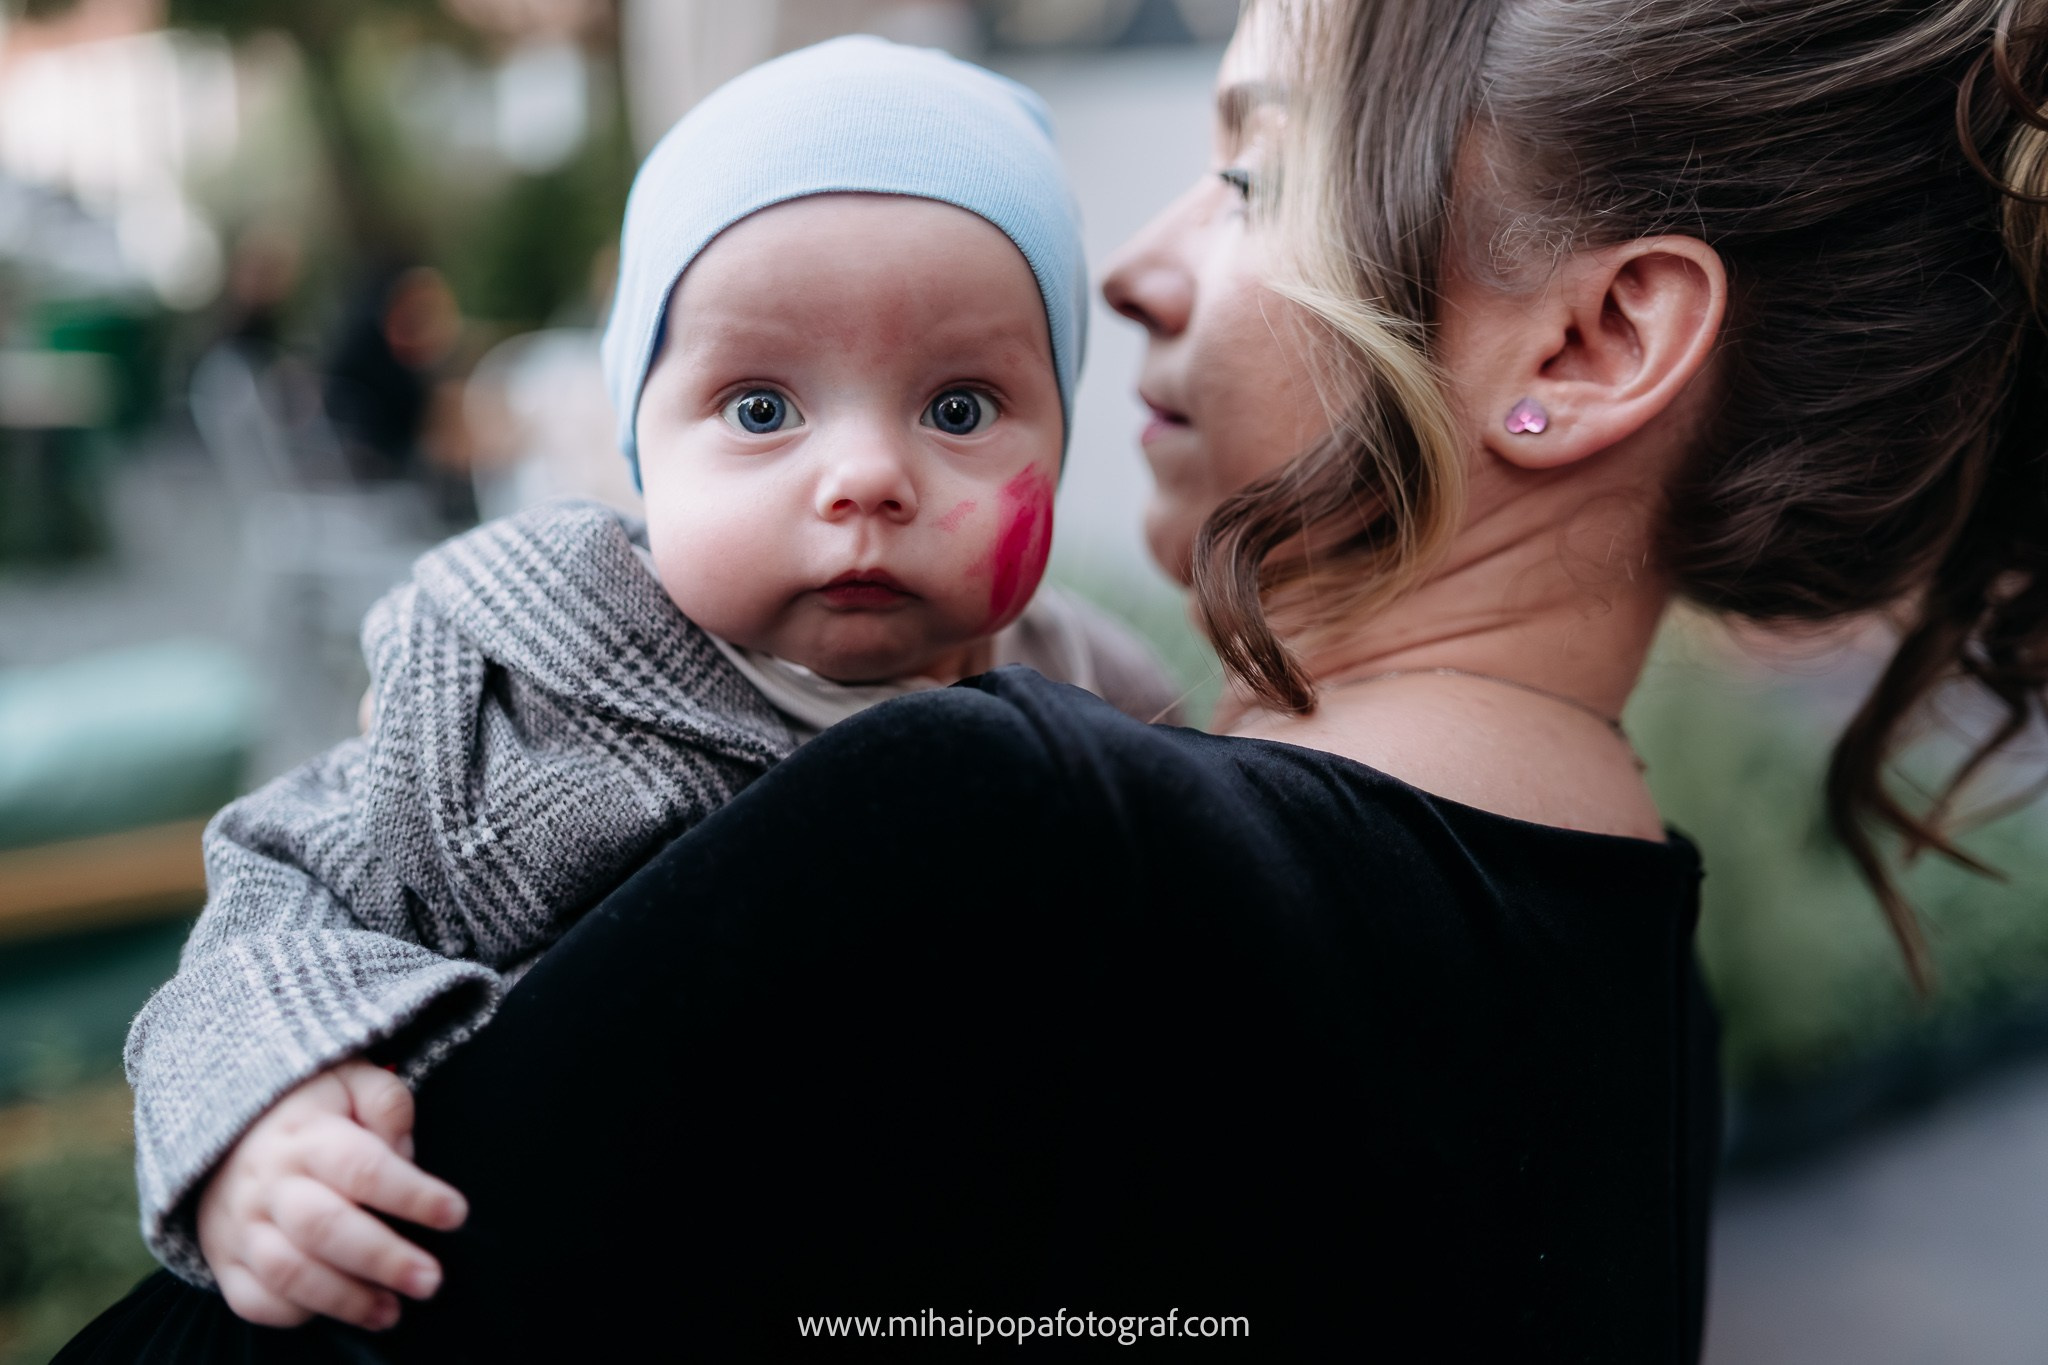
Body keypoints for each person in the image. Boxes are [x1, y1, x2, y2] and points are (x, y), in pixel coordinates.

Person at [63, 0, 2048, 1359]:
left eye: (1257, 180)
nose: (1127, 269)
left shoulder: (1006, 837)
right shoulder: (1631, 995)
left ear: (1599, 337)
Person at [106, 29, 1178, 1337]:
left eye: (958, 409)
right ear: (638, 451)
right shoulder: (519, 679)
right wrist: (269, 1107)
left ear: (1060, 438)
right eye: (763, 408)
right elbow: (285, 880)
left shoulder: (1102, 699)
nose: (865, 476)